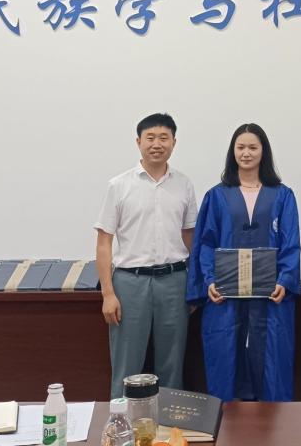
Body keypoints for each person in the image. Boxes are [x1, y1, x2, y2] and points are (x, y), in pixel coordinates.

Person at [186, 123, 301, 401]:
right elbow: (206, 244)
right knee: (225, 358)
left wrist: (285, 280)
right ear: (232, 151)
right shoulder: (217, 195)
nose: (246, 153)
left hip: (270, 294)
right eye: (240, 147)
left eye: (252, 147)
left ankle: (273, 424)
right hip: (225, 295)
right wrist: (209, 280)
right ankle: (227, 423)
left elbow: (291, 243)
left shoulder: (282, 195)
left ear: (263, 152)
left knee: (271, 363)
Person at [95, 112, 198, 398]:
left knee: (172, 362)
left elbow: (190, 237)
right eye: (150, 138)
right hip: (130, 282)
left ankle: (169, 422)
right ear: (138, 142)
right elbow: (104, 242)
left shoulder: (184, 184)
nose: (157, 144)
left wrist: (196, 285)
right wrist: (108, 294)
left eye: (164, 138)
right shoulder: (119, 185)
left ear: (174, 143)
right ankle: (121, 421)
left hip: (174, 280)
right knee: (127, 363)